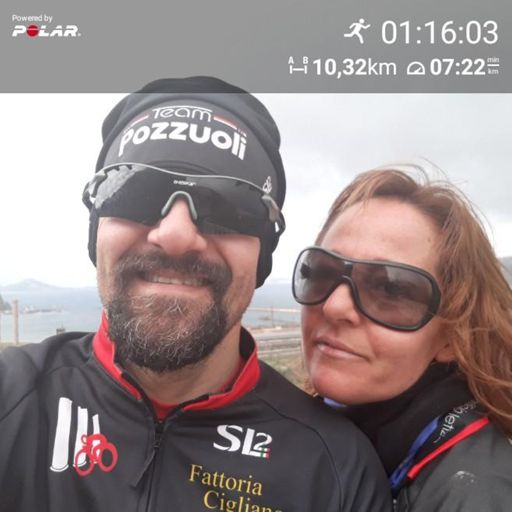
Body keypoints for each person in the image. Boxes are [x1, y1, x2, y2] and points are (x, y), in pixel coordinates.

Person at [0, 78, 391, 512]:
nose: (175, 235)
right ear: (96, 234)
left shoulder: (336, 472)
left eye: (228, 205)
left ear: (263, 257)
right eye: (135, 192)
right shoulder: (10, 398)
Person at [293, 166, 512, 511]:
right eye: (320, 272)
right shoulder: (332, 431)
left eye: (391, 288)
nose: (334, 306)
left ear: (452, 336)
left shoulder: (476, 494)